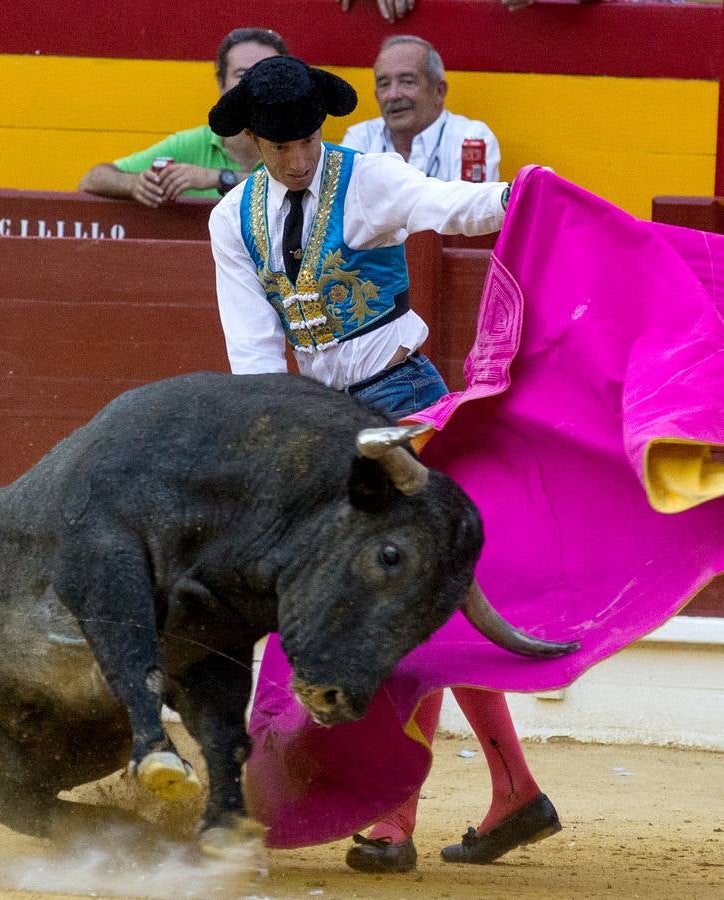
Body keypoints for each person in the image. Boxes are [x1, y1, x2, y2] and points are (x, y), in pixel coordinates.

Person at [207, 55, 561, 873]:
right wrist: (280, 446)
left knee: (408, 600)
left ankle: (397, 818)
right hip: (323, 425)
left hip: (405, 405)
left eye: (307, 141)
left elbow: (452, 205)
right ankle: (514, 791)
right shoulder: (232, 221)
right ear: (251, 140)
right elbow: (255, 352)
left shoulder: (367, 180)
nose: (299, 160)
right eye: (280, 145)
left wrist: (519, 195)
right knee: (410, 602)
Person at [78, 28, 288, 208]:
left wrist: (217, 178)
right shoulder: (193, 143)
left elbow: (300, 192)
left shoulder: (301, 141)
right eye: (242, 75)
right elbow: (92, 179)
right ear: (220, 82)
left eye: (266, 73)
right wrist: (136, 185)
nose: (254, 84)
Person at [341, 35, 500, 183]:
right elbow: (340, 207)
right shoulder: (360, 138)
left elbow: (470, 210)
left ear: (439, 91)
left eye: (407, 82)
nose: (393, 95)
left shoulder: (471, 139)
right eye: (384, 84)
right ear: (376, 95)